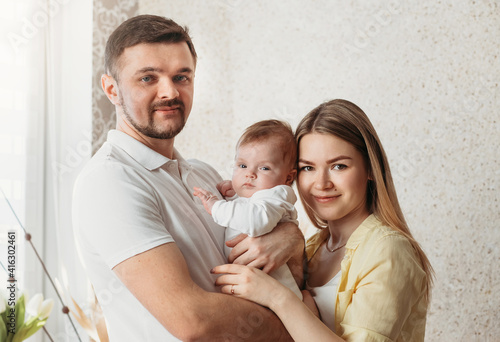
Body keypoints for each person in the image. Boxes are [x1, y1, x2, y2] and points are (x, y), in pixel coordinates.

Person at [72, 14, 304, 341]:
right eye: (148, 78)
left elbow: (267, 240)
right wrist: (300, 324)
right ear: (111, 89)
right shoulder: (109, 182)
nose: (170, 92)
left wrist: (291, 237)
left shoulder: (206, 175)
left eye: (182, 77)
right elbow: (193, 321)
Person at [212, 99, 434, 341]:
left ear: (370, 169)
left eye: (339, 166)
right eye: (308, 168)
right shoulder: (315, 246)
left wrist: (277, 297)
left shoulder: (389, 250)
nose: (321, 184)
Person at [193, 120, 303, 299]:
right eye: (242, 166)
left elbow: (256, 221)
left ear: (288, 178)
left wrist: (217, 206)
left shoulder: (278, 194)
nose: (249, 174)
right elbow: (248, 208)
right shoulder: (259, 196)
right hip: (254, 288)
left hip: (278, 290)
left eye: (264, 168)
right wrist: (236, 193)